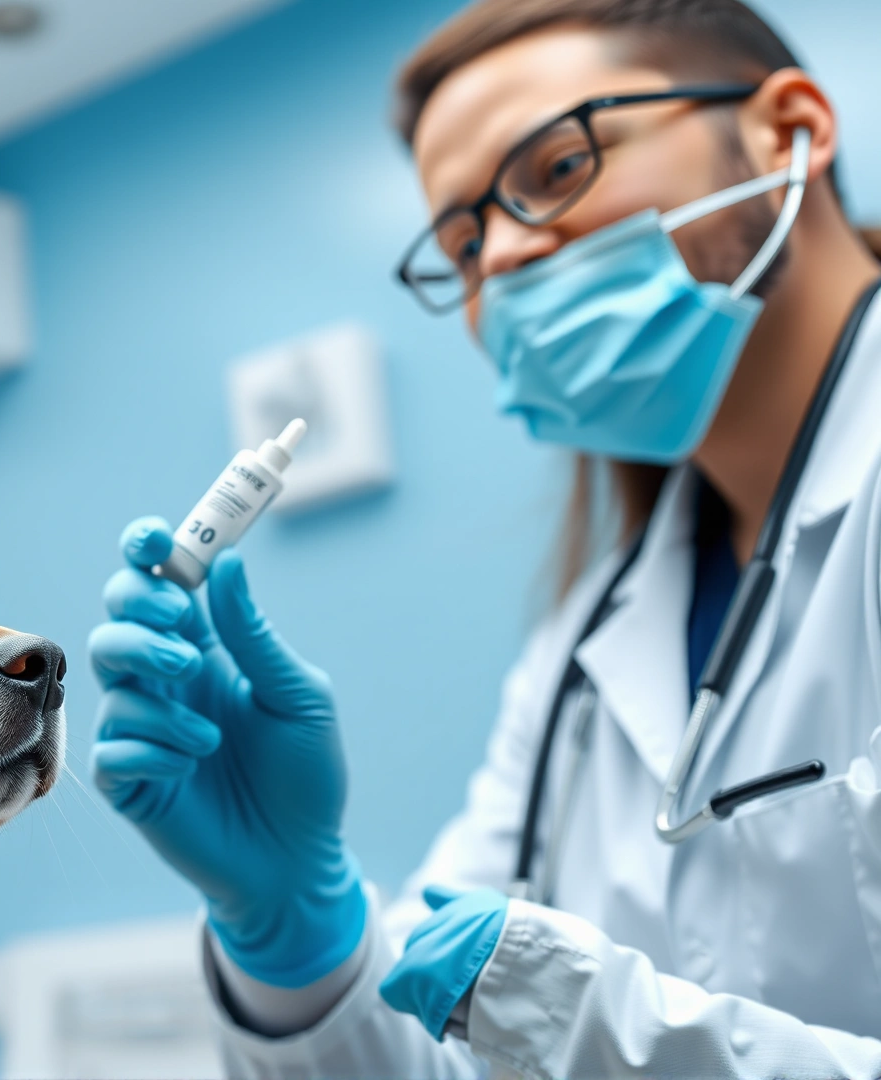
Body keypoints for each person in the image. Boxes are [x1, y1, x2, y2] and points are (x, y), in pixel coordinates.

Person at [87, 0, 881, 1075]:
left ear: (787, 130)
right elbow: (440, 1051)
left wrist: (579, 1015)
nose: (501, 257)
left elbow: (544, 1018)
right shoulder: (585, 653)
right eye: (461, 241)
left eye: (556, 169)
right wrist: (297, 934)